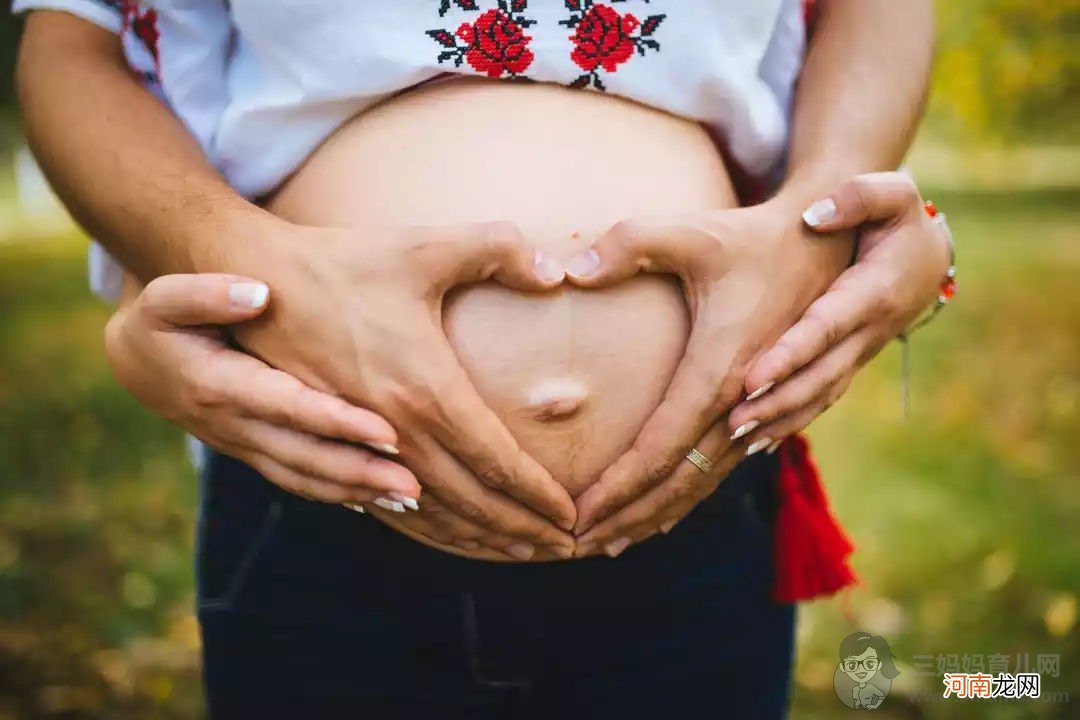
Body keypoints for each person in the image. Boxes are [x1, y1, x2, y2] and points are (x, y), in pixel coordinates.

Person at [15, 1, 947, 716]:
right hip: (317, 483)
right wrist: (237, 260)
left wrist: (827, 213)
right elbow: (74, 35)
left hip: (705, 485)